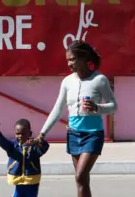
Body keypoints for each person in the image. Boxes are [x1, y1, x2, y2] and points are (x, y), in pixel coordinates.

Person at [34, 40, 117, 197]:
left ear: (84, 58)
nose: (69, 63)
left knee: (80, 176)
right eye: (67, 60)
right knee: (82, 181)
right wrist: (42, 133)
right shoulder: (67, 81)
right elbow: (57, 110)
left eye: (72, 59)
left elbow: (114, 106)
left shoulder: (99, 80)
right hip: (73, 134)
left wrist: (97, 107)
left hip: (93, 134)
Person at [0, 118, 50, 197]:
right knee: (18, 194)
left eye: (23, 133)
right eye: (18, 133)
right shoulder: (12, 145)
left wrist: (37, 142)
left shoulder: (33, 146)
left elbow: (45, 147)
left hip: (32, 179)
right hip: (18, 179)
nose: (20, 136)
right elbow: (3, 142)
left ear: (30, 134)